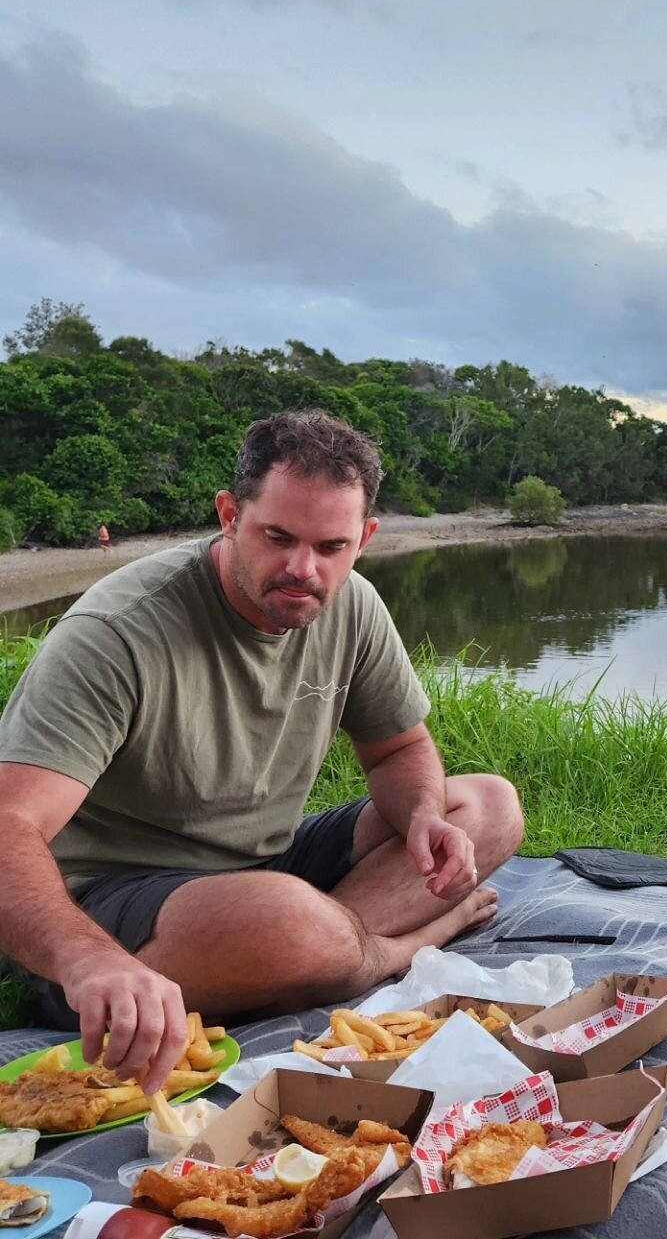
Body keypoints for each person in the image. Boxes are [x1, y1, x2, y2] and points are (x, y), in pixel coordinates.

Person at [0, 410, 525, 1090]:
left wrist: (421, 814)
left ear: (363, 539)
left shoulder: (353, 607)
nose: (303, 569)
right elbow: (10, 825)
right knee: (288, 922)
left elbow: (399, 750)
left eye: (331, 547)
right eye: (278, 537)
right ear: (228, 514)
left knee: (487, 806)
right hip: (117, 908)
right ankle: (389, 951)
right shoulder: (116, 632)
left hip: (269, 874)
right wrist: (85, 962)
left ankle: (313, 957)